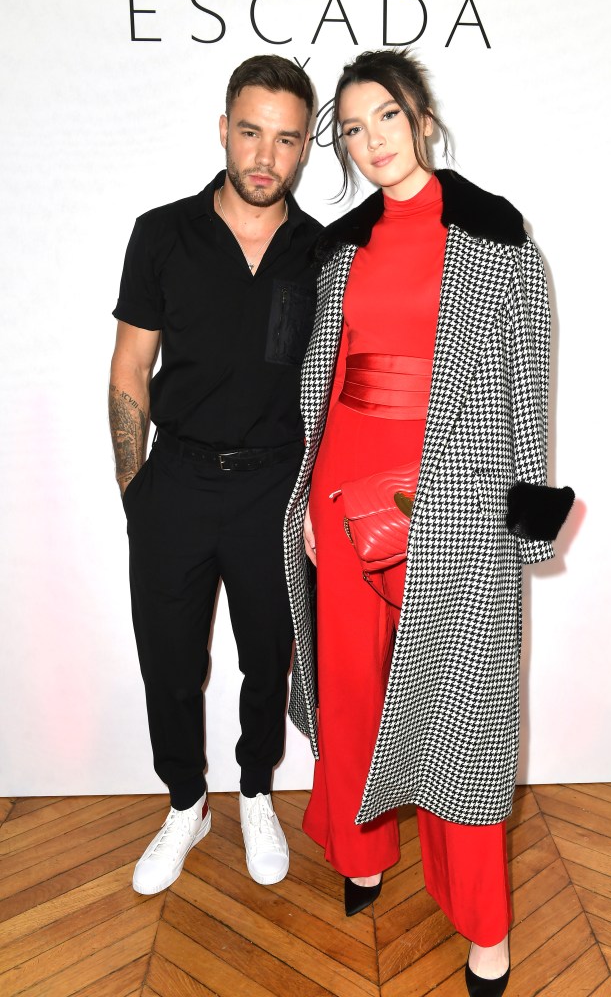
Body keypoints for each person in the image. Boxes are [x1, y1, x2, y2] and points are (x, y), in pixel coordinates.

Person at [283, 49, 572, 996]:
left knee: (462, 716)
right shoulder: (340, 245)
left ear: (420, 116)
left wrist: (524, 520)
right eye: (351, 131)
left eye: (383, 120)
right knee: (356, 692)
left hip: (453, 510)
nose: (369, 144)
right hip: (346, 493)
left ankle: (484, 927)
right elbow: (323, 385)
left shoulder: (495, 236)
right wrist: (311, 503)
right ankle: (363, 858)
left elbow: (527, 388)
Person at [109, 54, 321, 896]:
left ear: (306, 148)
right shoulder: (161, 232)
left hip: (275, 486)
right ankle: (186, 802)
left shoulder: (323, 250)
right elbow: (129, 367)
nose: (264, 156)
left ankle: (257, 791)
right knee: (168, 658)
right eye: (249, 132)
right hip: (177, 483)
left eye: (286, 139)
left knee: (266, 658)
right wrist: (137, 494)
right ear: (223, 130)